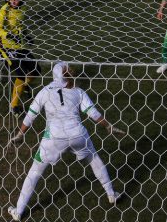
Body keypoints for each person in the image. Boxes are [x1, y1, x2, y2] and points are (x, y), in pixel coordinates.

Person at [7, 62, 125, 221]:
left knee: (34, 173)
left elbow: (30, 115)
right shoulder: (78, 92)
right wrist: (108, 127)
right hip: (78, 135)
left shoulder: (44, 92)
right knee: (94, 159)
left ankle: (18, 211)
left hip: (54, 139)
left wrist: (20, 134)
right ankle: (111, 194)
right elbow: (94, 114)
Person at [0, 0, 40, 117]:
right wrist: (8, 35)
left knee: (36, 69)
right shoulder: (4, 10)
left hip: (19, 44)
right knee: (20, 72)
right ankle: (14, 106)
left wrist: (26, 36)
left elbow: (20, 26)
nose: (13, 1)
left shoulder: (22, 9)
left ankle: (23, 86)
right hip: (5, 46)